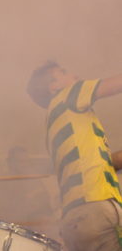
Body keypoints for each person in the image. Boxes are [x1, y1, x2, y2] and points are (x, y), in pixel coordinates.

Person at [27, 60, 122, 251]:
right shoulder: (68, 94)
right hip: (96, 207)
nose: (75, 76)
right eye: (64, 72)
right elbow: (116, 83)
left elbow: (102, 163)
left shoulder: (59, 121)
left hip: (75, 218)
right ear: (54, 86)